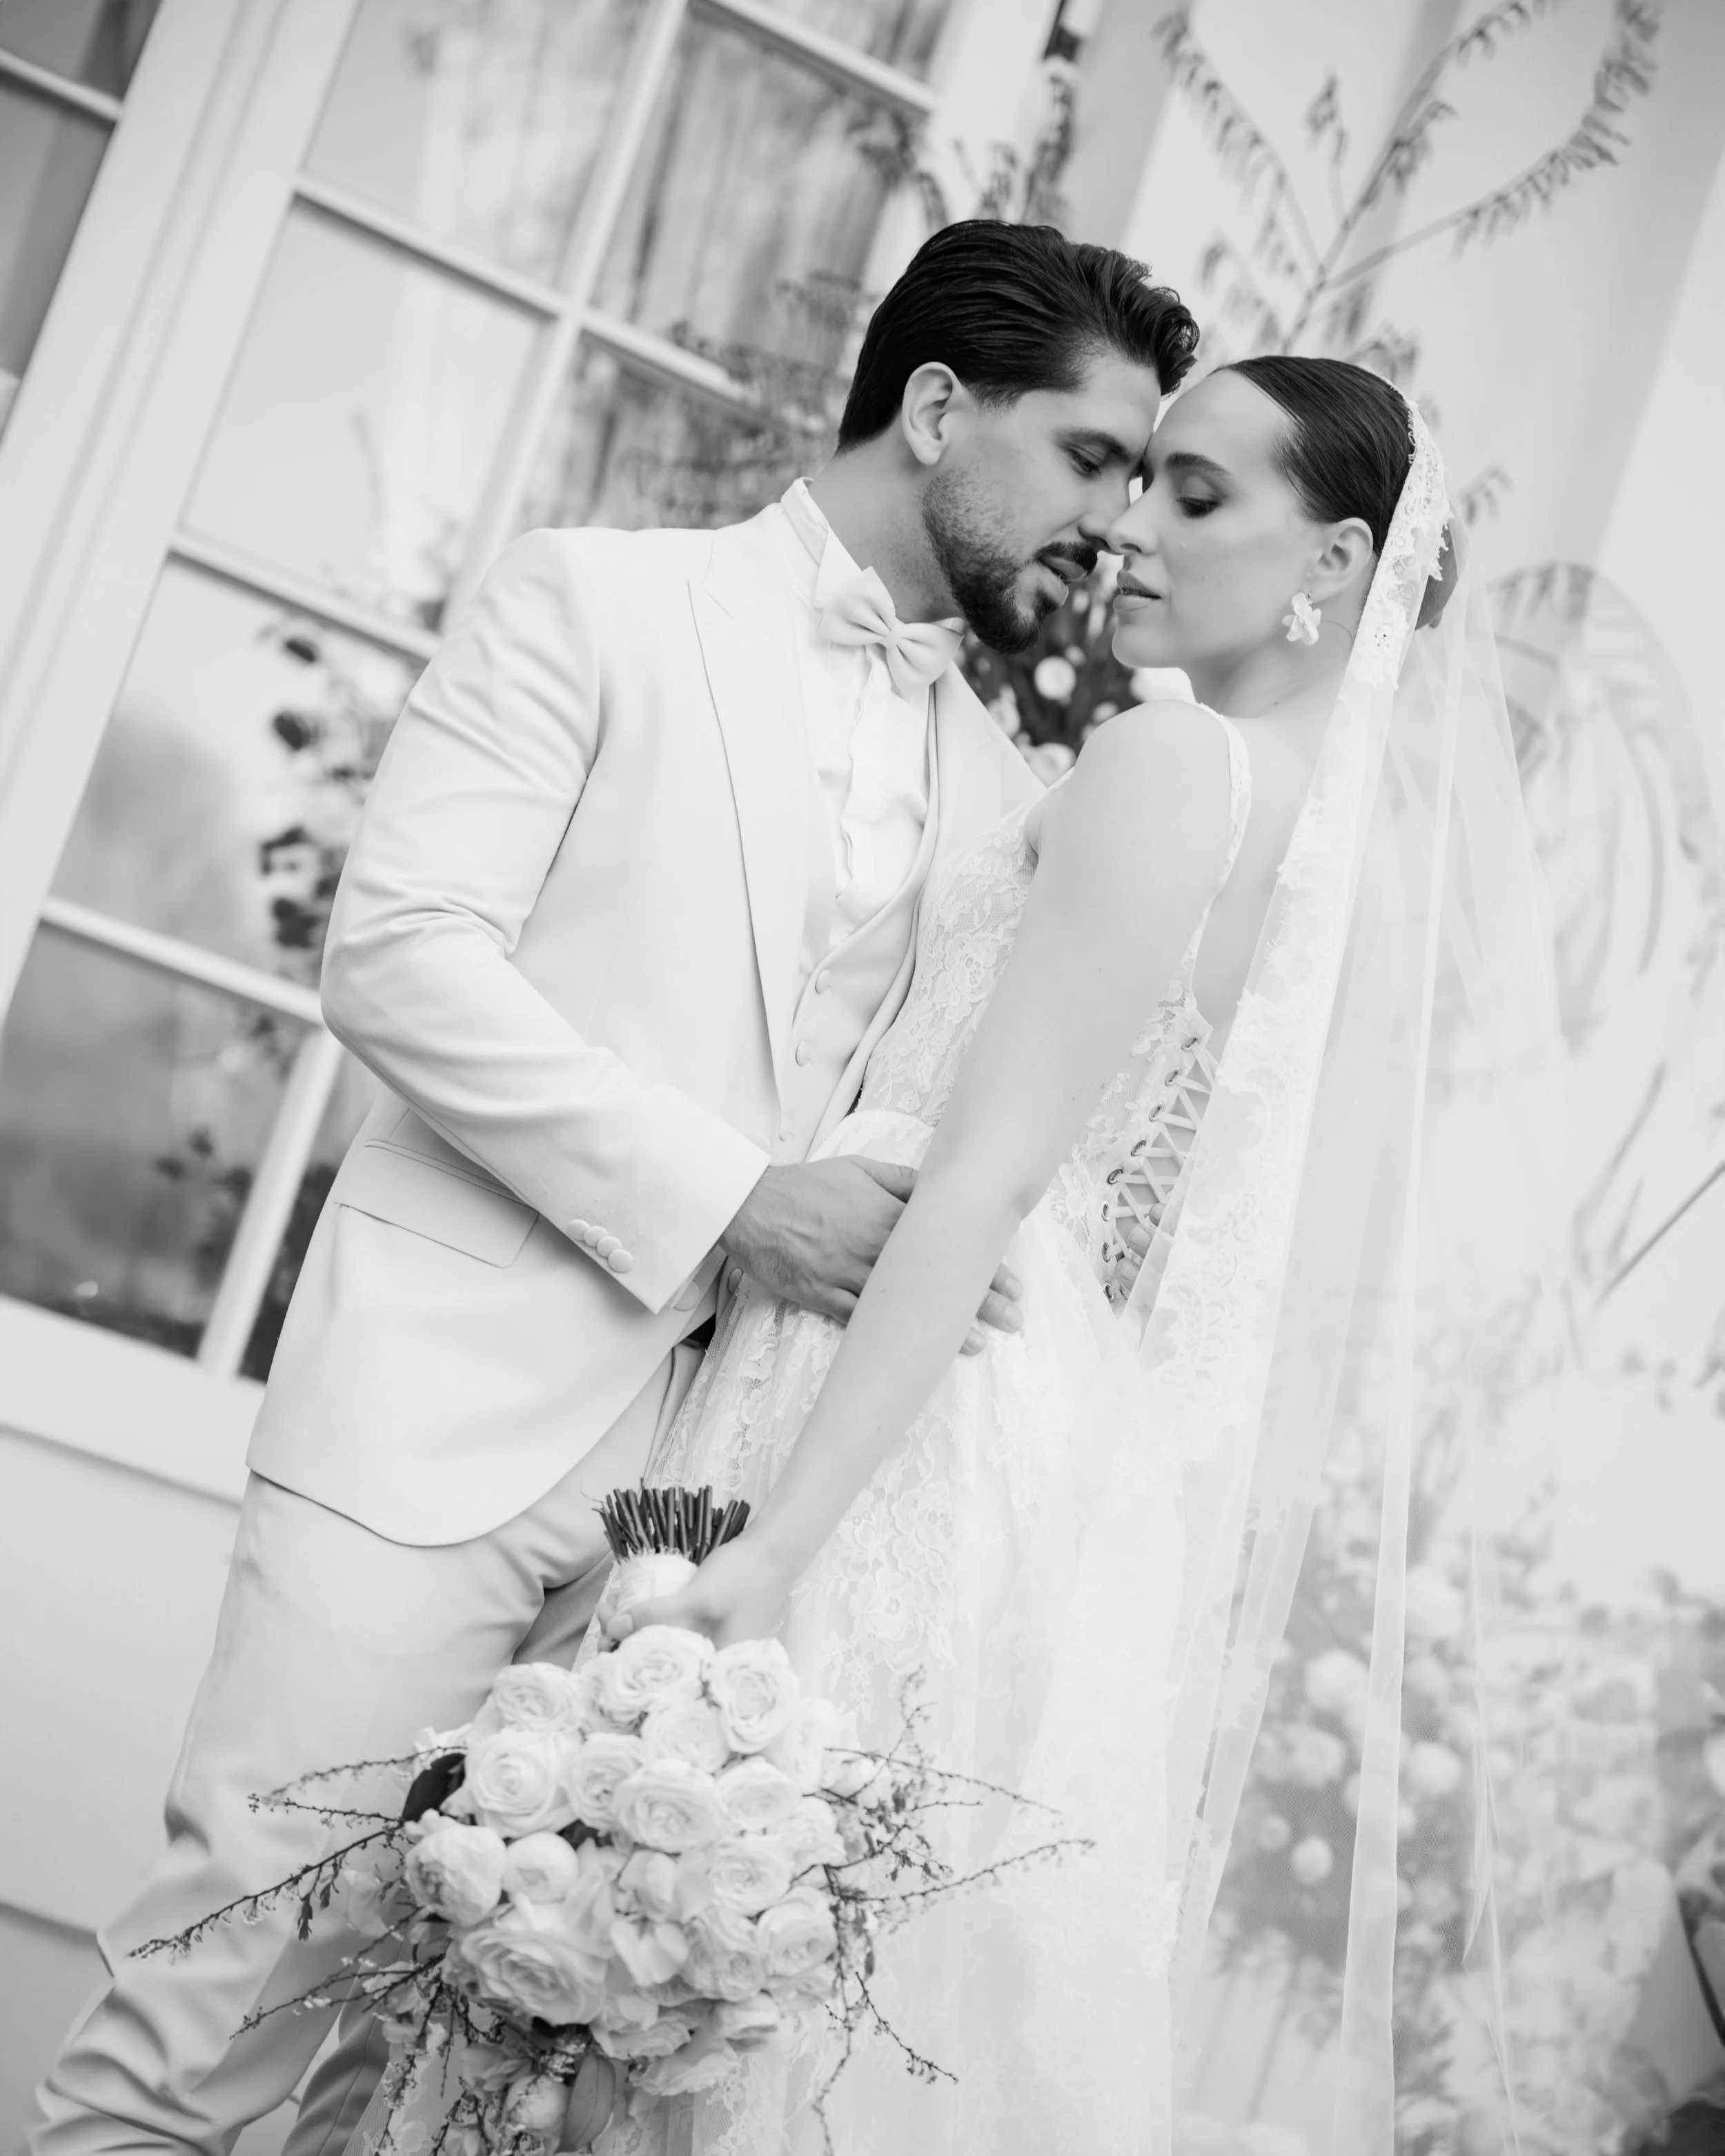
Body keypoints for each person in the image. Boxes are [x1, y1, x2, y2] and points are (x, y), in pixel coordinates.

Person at [26, 224, 1199, 2156]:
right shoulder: (594, 603)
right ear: (930, 411)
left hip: (704, 1531)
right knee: (215, 2015)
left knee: (421, 2081)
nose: (1111, 517)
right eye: (1087, 455)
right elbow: (398, 955)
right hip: (434, 1422)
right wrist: (739, 1198)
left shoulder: (1008, 790)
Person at [607, 356, 1559, 2153]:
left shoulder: (1165, 757)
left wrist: (774, 1543)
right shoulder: (1334, 843)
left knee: (705, 1987)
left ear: (1336, 560)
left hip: (897, 1383)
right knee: (825, 1997)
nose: (1128, 525)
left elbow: (978, 1179)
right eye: (1138, 481)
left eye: (1196, 497)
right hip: (1052, 1417)